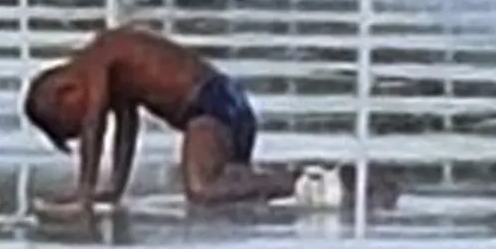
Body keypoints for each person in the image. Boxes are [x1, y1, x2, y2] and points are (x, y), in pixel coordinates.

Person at [22, 24, 301, 210]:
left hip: (212, 104)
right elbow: (126, 130)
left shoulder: (100, 55)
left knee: (201, 190)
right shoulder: (118, 77)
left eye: (74, 124)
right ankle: (284, 178)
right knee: (226, 185)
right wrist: (115, 189)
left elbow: (96, 122)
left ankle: (299, 182)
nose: (83, 130)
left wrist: (84, 192)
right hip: (225, 107)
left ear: (65, 92)